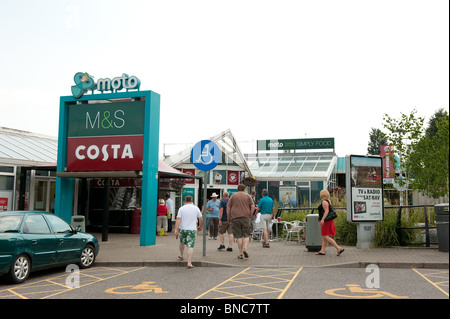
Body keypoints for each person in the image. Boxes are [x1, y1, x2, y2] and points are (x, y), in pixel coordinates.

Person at [174, 196, 203, 269]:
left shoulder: (181, 208)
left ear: (185, 201)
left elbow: (178, 219)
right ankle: (189, 262)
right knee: (190, 246)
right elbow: (201, 218)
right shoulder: (196, 208)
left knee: (181, 242)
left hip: (183, 229)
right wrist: (200, 226)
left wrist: (176, 229)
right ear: (192, 200)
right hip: (192, 229)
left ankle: (181, 255)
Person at [228, 184, 255, 259]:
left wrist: (229, 217)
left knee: (238, 236)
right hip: (246, 217)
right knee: (246, 234)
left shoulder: (233, 196)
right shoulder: (248, 196)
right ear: (245, 189)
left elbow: (228, 207)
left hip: (235, 217)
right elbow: (253, 206)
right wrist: (250, 214)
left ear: (238, 189)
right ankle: (245, 248)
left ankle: (240, 253)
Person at [316, 189, 344, 256]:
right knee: (324, 236)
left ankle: (338, 248)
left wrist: (322, 219)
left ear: (322, 195)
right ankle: (322, 250)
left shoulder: (324, 202)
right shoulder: (328, 201)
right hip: (328, 220)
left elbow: (326, 211)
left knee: (325, 236)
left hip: (326, 221)